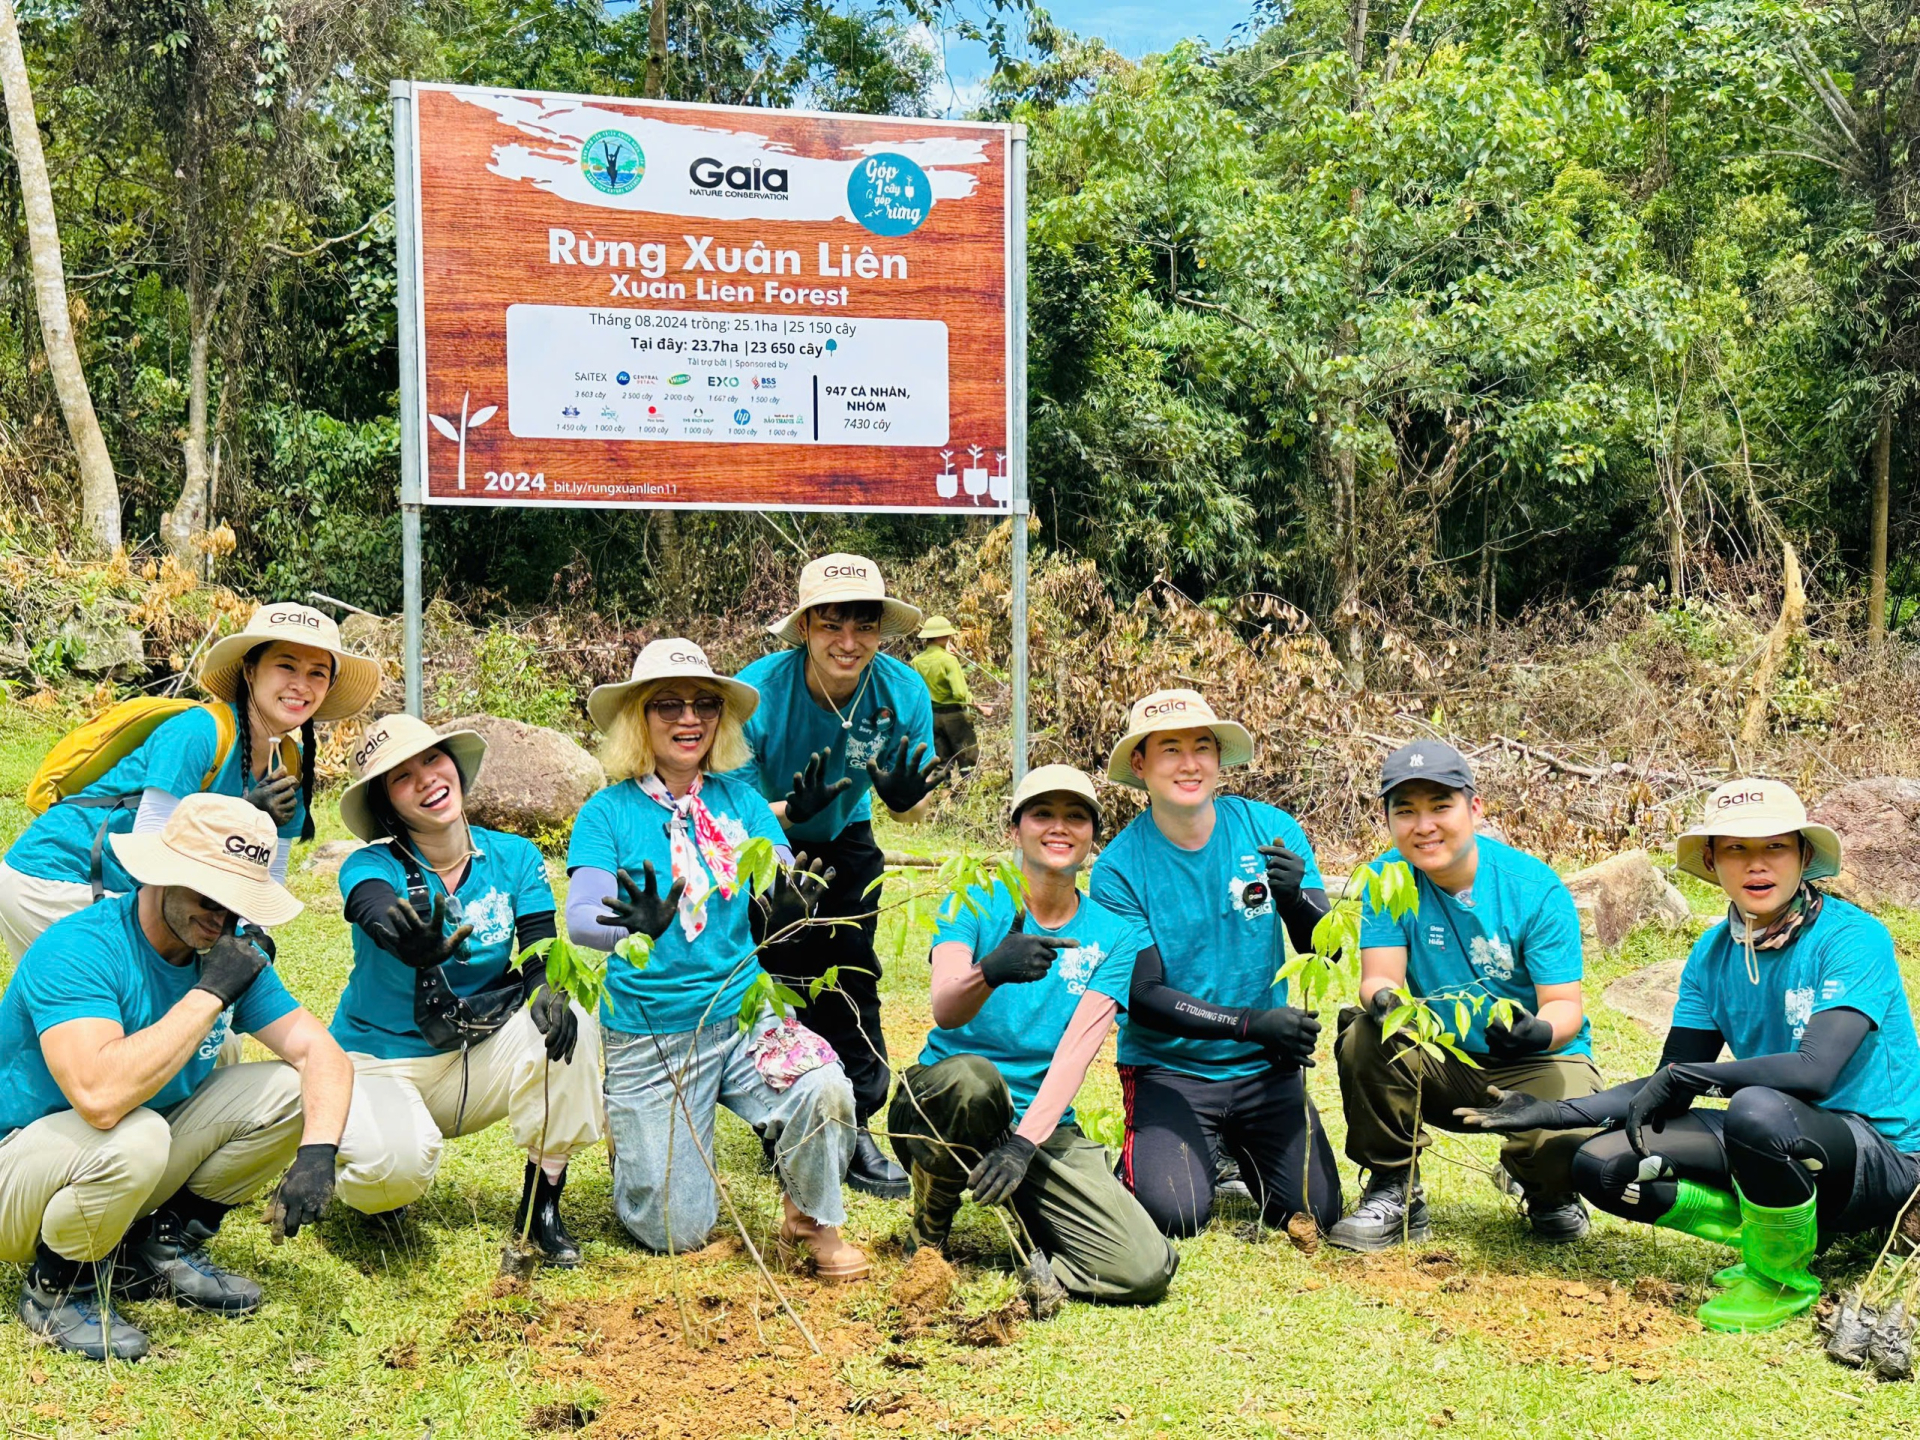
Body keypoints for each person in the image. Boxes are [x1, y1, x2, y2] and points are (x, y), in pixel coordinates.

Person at [1457, 779, 1920, 1333]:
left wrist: (1694, 1076)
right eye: (1736, 849)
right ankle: (1772, 1233)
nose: (1757, 865)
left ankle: (1779, 1274)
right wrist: (1551, 1112)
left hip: (1881, 1156)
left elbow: (1814, 1073)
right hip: (1778, 1137)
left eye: (1774, 847)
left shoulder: (1852, 938)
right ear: (1711, 860)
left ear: (1802, 856)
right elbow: (1667, 1083)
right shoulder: (1712, 952)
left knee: (1755, 1109)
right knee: (1602, 1165)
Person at [0, 794, 353, 1360]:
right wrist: (210, 993)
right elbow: (100, 1097)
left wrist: (319, 1153)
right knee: (135, 1133)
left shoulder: (218, 948)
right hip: (18, 1174)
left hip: (117, 1152)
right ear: (160, 876)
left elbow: (322, 1054)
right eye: (208, 895)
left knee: (289, 1092)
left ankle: (159, 1247)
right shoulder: (79, 949)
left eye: (238, 904)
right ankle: (57, 1287)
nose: (221, 916)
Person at [567, 640, 867, 1279]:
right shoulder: (607, 813)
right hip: (652, 1032)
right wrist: (627, 927)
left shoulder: (742, 801)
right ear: (638, 719)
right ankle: (633, 1140)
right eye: (667, 705)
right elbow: (581, 918)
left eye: (704, 704)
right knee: (676, 1230)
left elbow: (786, 877)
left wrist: (792, 906)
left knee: (825, 1088)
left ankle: (811, 1221)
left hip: (741, 1013)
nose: (689, 719)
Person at [890, 764, 1177, 1303]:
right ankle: (928, 1239)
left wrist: (1024, 1145)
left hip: (1036, 1125)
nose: (1059, 827)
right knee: (975, 1080)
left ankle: (1041, 1268)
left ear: (1094, 833)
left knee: (1147, 1268)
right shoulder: (972, 899)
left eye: (1076, 816)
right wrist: (990, 971)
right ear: (1015, 828)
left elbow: (1076, 1052)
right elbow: (945, 1009)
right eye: (1042, 814)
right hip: (942, 1103)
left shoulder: (1115, 934)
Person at [327, 714, 604, 1266]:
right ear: (387, 805)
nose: (427, 779)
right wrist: (407, 940)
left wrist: (548, 989)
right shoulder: (370, 864)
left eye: (432, 759)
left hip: (474, 1055)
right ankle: (362, 1171)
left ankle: (541, 1206)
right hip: (382, 1060)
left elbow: (537, 950)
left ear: (454, 766)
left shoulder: (516, 857)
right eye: (402, 777)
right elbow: (373, 906)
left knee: (572, 1023)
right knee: (392, 1173)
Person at [730, 553, 949, 1199]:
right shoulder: (759, 690)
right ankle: (789, 1120)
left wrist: (910, 796)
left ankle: (855, 1120)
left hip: (848, 838)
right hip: (766, 840)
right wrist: (788, 820)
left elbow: (914, 805)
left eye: (863, 625)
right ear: (805, 628)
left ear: (881, 630)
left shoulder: (903, 690)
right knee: (785, 976)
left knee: (852, 972)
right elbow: (732, 805)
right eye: (831, 624)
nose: (848, 642)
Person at [1088, 689, 1339, 1239]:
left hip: (1265, 1069)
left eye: (1203, 747)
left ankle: (1232, 1147)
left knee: (1314, 1214)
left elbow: (1326, 946)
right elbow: (1145, 996)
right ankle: (1176, 1151)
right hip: (1171, 1070)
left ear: (1219, 759)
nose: (1189, 763)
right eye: (1170, 749)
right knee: (1175, 1215)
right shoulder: (1118, 869)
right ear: (1141, 763)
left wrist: (1297, 899)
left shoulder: (1268, 830)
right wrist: (1250, 1023)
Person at [1328, 741, 1599, 1250]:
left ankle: (1547, 1190)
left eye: (1440, 806)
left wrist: (1535, 1031)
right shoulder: (1387, 879)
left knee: (1577, 1115)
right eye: (1405, 811)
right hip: (1442, 1059)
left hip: (1531, 1061)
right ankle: (1395, 1189)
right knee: (1366, 1034)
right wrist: (1385, 999)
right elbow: (1377, 978)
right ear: (1387, 819)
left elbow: (1564, 1007)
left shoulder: (1534, 888)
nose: (1423, 825)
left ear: (1475, 808)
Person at [0, 602, 381, 959]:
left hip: (120, 891)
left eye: (317, 673)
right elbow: (151, 847)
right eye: (286, 666)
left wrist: (253, 937)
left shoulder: (289, 762)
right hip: (57, 876)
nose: (302, 684)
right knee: (127, 1014)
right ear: (250, 670)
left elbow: (269, 872)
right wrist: (240, 812)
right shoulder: (199, 732)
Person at [910, 615, 990, 772]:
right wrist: (980, 707)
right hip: (954, 715)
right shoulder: (948, 660)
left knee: (941, 760)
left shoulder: (916, 662)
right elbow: (960, 693)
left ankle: (943, 793)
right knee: (967, 757)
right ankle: (966, 791)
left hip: (931, 716)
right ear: (941, 637)